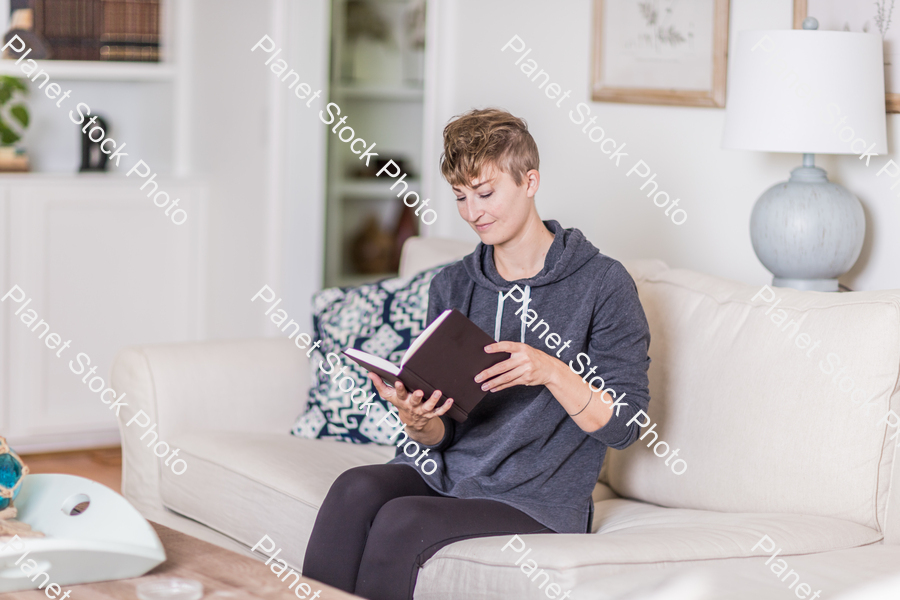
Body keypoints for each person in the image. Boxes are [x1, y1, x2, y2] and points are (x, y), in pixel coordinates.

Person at [302, 108, 651, 600]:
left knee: (404, 520)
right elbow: (440, 433)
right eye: (461, 197)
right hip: (446, 472)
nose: (472, 213)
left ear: (529, 181)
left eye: (485, 194)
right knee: (353, 489)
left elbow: (625, 425)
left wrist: (549, 370)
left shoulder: (603, 284)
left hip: (535, 497)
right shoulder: (454, 283)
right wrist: (419, 419)